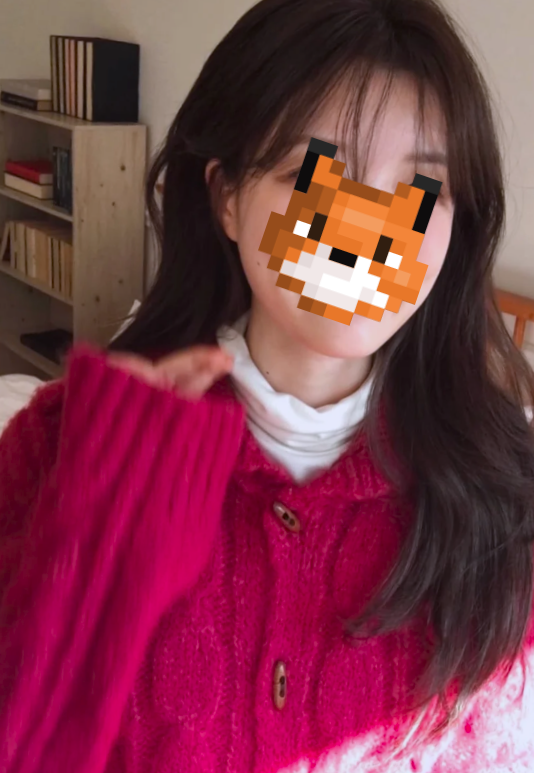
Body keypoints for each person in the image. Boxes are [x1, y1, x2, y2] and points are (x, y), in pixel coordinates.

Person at [1, 0, 534, 770]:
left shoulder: (508, 498)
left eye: (421, 190)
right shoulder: (59, 445)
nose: (365, 237)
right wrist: (91, 560)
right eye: (314, 175)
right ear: (226, 197)